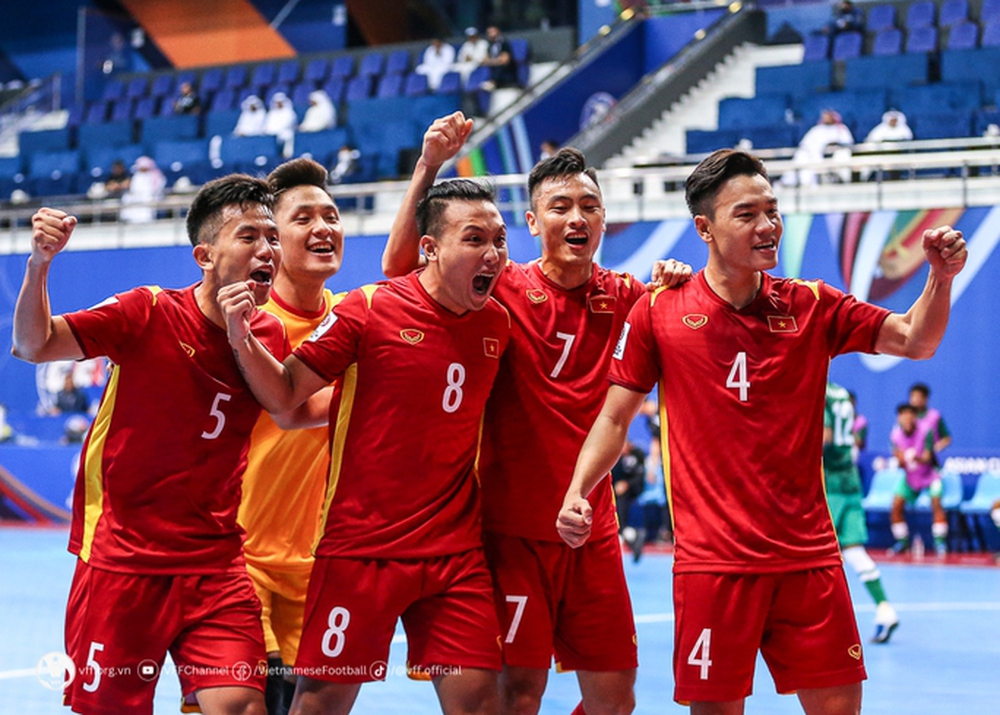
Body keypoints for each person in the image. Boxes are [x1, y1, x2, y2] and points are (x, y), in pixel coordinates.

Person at [557, 147, 967, 714]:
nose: (768, 226)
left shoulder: (811, 304)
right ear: (705, 228)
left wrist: (939, 278)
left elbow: (916, 340)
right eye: (746, 214)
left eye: (772, 211)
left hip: (809, 559)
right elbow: (613, 416)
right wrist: (579, 490)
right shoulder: (658, 311)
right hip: (713, 565)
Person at [382, 111, 690, 715]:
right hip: (510, 534)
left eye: (589, 205)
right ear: (531, 221)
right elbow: (401, 272)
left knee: (615, 699)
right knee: (519, 695)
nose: (577, 218)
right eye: (559, 206)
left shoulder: (631, 297)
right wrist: (428, 168)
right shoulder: (499, 289)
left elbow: (691, 314)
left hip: (593, 531)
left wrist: (678, 280)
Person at [221, 179, 510, 715]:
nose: (493, 254)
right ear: (430, 247)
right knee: (321, 703)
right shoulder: (368, 309)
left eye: (500, 240)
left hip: (454, 553)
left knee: (479, 701)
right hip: (361, 550)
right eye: (474, 239)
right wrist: (240, 337)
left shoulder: (498, 321)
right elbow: (285, 396)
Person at [11, 174, 293, 715]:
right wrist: (40, 263)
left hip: (215, 564)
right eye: (250, 237)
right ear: (205, 255)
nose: (268, 250)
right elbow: (33, 344)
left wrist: (242, 336)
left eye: (273, 238)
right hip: (123, 562)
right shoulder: (148, 311)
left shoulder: (267, 337)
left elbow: (287, 408)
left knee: (240, 706)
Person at [236, 157, 346, 715]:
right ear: (272, 243)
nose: (324, 227)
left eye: (331, 214)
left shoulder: (355, 319)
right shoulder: (239, 324)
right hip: (241, 555)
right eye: (304, 217)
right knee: (256, 702)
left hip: (321, 565)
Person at [824, 383, 899, 644]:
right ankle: (885, 609)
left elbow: (824, 436)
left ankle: (820, 624)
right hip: (850, 479)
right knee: (853, 550)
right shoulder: (842, 393)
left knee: (815, 555)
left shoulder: (816, 388)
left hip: (828, 482)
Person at [889, 403, 949, 556]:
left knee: (936, 502)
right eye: (903, 415)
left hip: (930, 475)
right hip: (910, 478)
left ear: (915, 417)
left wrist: (916, 457)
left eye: (910, 415)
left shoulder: (926, 431)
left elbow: (928, 457)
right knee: (896, 505)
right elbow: (898, 457)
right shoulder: (895, 435)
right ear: (899, 418)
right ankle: (902, 543)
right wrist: (901, 460)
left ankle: (940, 543)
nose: (907, 418)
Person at [783, 109, 854, 187]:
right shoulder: (816, 130)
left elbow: (848, 143)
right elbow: (805, 144)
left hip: (833, 156)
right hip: (813, 156)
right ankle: (803, 184)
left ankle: (842, 182)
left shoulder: (841, 129)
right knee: (802, 156)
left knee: (842, 155)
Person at [611, 439, 646, 563]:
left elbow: (641, 476)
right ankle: (629, 534)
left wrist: (627, 484)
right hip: (618, 490)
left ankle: (624, 531)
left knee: (622, 498)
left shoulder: (638, 454)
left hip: (634, 489)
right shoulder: (615, 456)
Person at [120, 156, 166, 224]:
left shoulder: (155, 175)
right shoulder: (137, 176)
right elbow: (134, 189)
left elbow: (158, 189)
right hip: (136, 199)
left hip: (150, 199)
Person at [480, 25, 519, 90]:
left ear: (497, 32)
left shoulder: (504, 43)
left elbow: (505, 60)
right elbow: (485, 59)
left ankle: (493, 82)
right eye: (489, 32)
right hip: (494, 64)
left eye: (492, 32)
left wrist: (492, 61)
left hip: (506, 66)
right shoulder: (489, 44)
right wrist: (492, 61)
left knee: (499, 66)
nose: (490, 34)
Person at [265, 92, 298, 158]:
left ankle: (286, 155)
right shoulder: (272, 113)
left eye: (280, 102)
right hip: (272, 133)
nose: (279, 104)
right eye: (277, 102)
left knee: (288, 135)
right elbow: (267, 125)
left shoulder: (289, 112)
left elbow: (288, 124)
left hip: (284, 132)